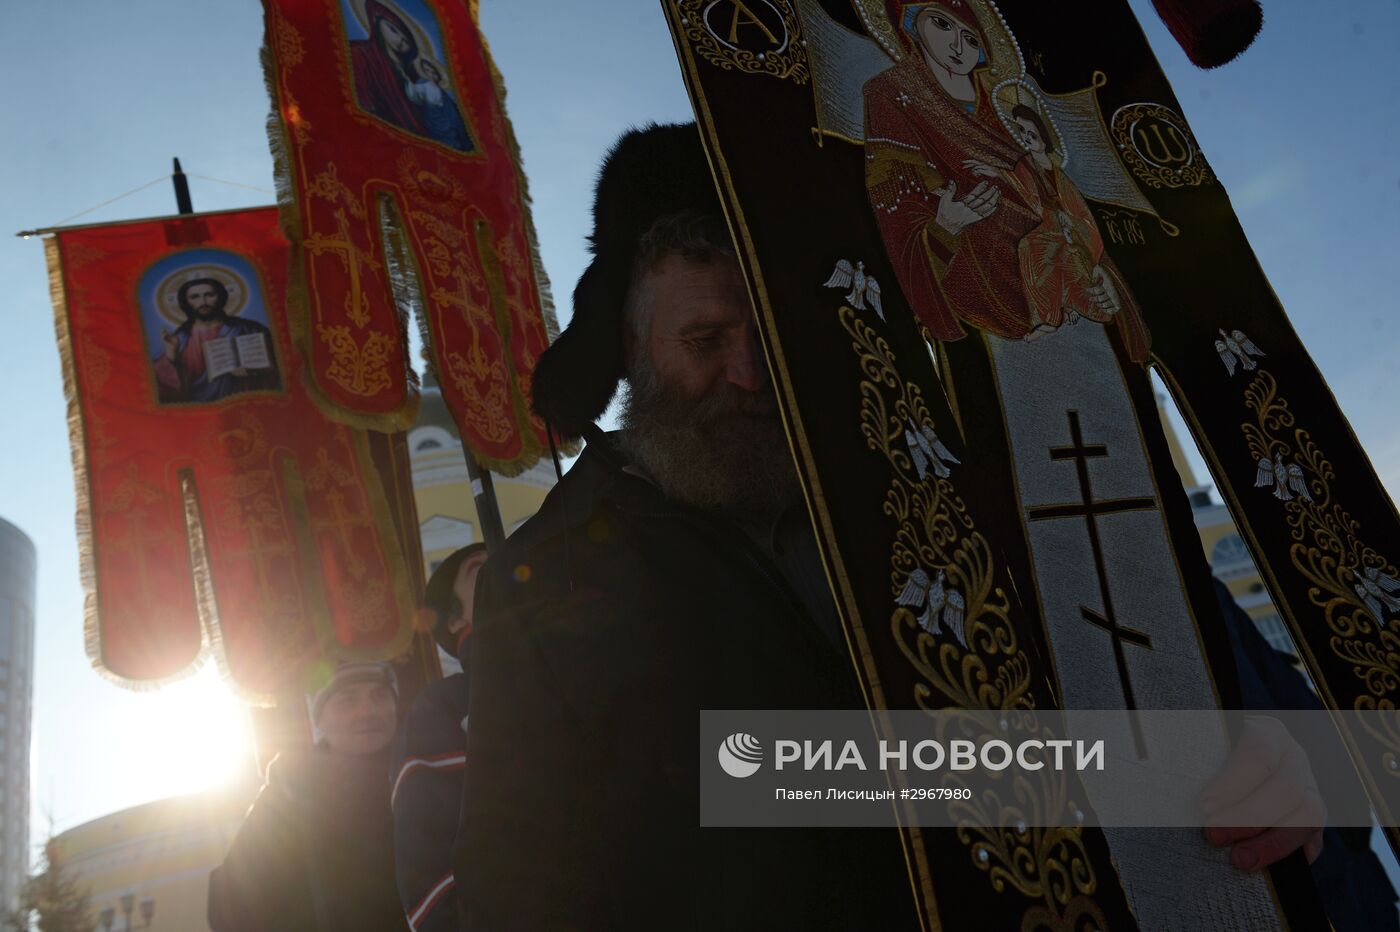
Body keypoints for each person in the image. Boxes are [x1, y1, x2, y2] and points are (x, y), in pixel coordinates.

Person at [457, 122, 1328, 930]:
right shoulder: (548, 581)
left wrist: (1281, 771)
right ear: (633, 347)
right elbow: (521, 896)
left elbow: (1162, 713)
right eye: (704, 339)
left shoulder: (951, 484)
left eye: (775, 334)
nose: (752, 374)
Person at [862, 0, 1148, 360]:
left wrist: (1100, 270)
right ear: (910, 24)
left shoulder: (1006, 108)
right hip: (979, 295)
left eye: (970, 38)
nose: (956, 47)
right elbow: (892, 199)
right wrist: (943, 224)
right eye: (941, 24)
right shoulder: (892, 93)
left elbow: (1060, 200)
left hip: (1061, 284)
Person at [208, 662, 409, 932]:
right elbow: (231, 906)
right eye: (347, 701)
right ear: (320, 718)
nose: (367, 711)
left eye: (380, 696)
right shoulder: (290, 792)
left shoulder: (428, 768)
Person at [390, 544, 488, 931]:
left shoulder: (588, 665)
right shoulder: (444, 708)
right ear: (453, 619)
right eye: (480, 568)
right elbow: (429, 882)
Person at [152, 277, 281, 403]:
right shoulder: (179, 338)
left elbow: (278, 370)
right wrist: (170, 354)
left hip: (241, 405)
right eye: (194, 297)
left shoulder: (250, 329)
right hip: (198, 412)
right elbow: (163, 388)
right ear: (186, 302)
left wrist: (252, 372)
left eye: (209, 295)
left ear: (220, 297)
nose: (203, 302)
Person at [350, 0, 428, 137]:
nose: (400, 39)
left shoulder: (409, 73)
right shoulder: (360, 53)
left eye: (406, 40)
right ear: (377, 23)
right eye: (393, 30)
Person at [406, 58, 473, 152]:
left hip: (451, 123)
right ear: (422, 72)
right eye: (427, 70)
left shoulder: (442, 92)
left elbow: (454, 113)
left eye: (432, 70)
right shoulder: (422, 85)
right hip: (436, 125)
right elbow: (414, 95)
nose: (432, 73)